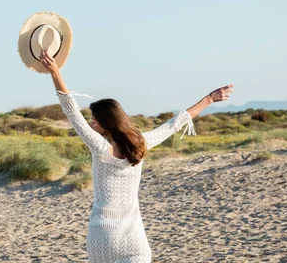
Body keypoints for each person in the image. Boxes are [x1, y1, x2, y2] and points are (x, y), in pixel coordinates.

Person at [39, 50, 234, 262]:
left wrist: (55, 73)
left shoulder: (100, 148)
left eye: (94, 120)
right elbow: (173, 124)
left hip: (103, 236)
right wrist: (209, 99)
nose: (91, 124)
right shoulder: (141, 144)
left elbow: (72, 111)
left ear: (107, 122)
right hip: (134, 238)